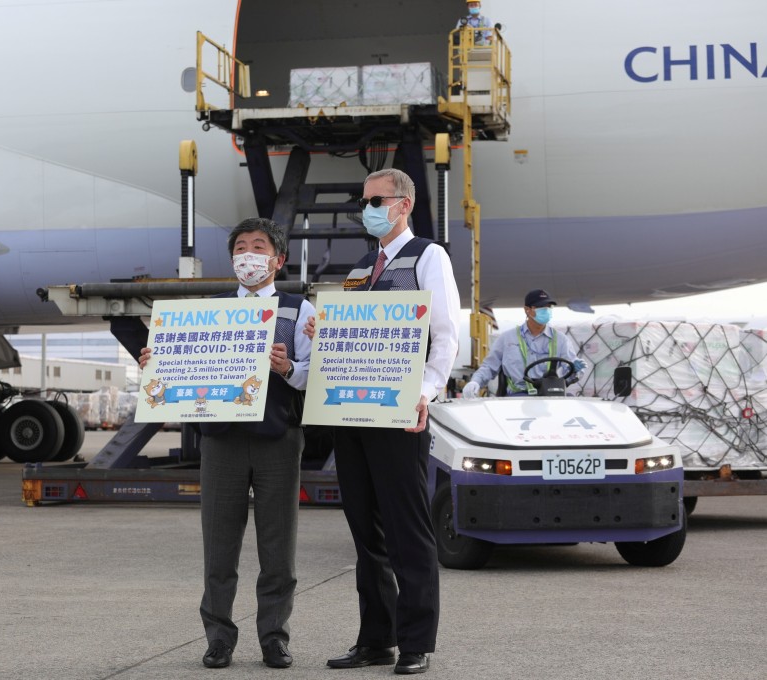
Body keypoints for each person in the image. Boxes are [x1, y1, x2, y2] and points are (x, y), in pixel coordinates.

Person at [139, 218, 315, 670]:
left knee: (279, 548)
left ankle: (274, 637)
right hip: (220, 441)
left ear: (278, 259)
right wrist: (155, 364)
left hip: (278, 438)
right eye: (241, 246)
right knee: (219, 547)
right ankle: (219, 637)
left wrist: (287, 369)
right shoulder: (207, 311)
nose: (248, 254)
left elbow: (317, 376)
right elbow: (177, 373)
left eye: (259, 246)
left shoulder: (300, 310)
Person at [306, 168, 460, 675]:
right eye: (363, 199)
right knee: (365, 532)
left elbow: (446, 335)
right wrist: (319, 329)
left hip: (398, 416)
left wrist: (426, 392)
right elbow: (347, 340)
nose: (366, 207)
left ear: (403, 204)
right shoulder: (359, 269)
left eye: (375, 199)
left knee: (407, 530)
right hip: (351, 415)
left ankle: (416, 641)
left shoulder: (428, 256)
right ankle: (376, 638)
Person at [462, 289, 586, 398]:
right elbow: (489, 367)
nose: (546, 311)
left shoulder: (561, 340)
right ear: (527, 310)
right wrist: (476, 382)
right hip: (518, 397)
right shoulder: (507, 339)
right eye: (541, 308)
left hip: (550, 396)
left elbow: (569, 374)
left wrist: (575, 369)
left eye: (549, 307)